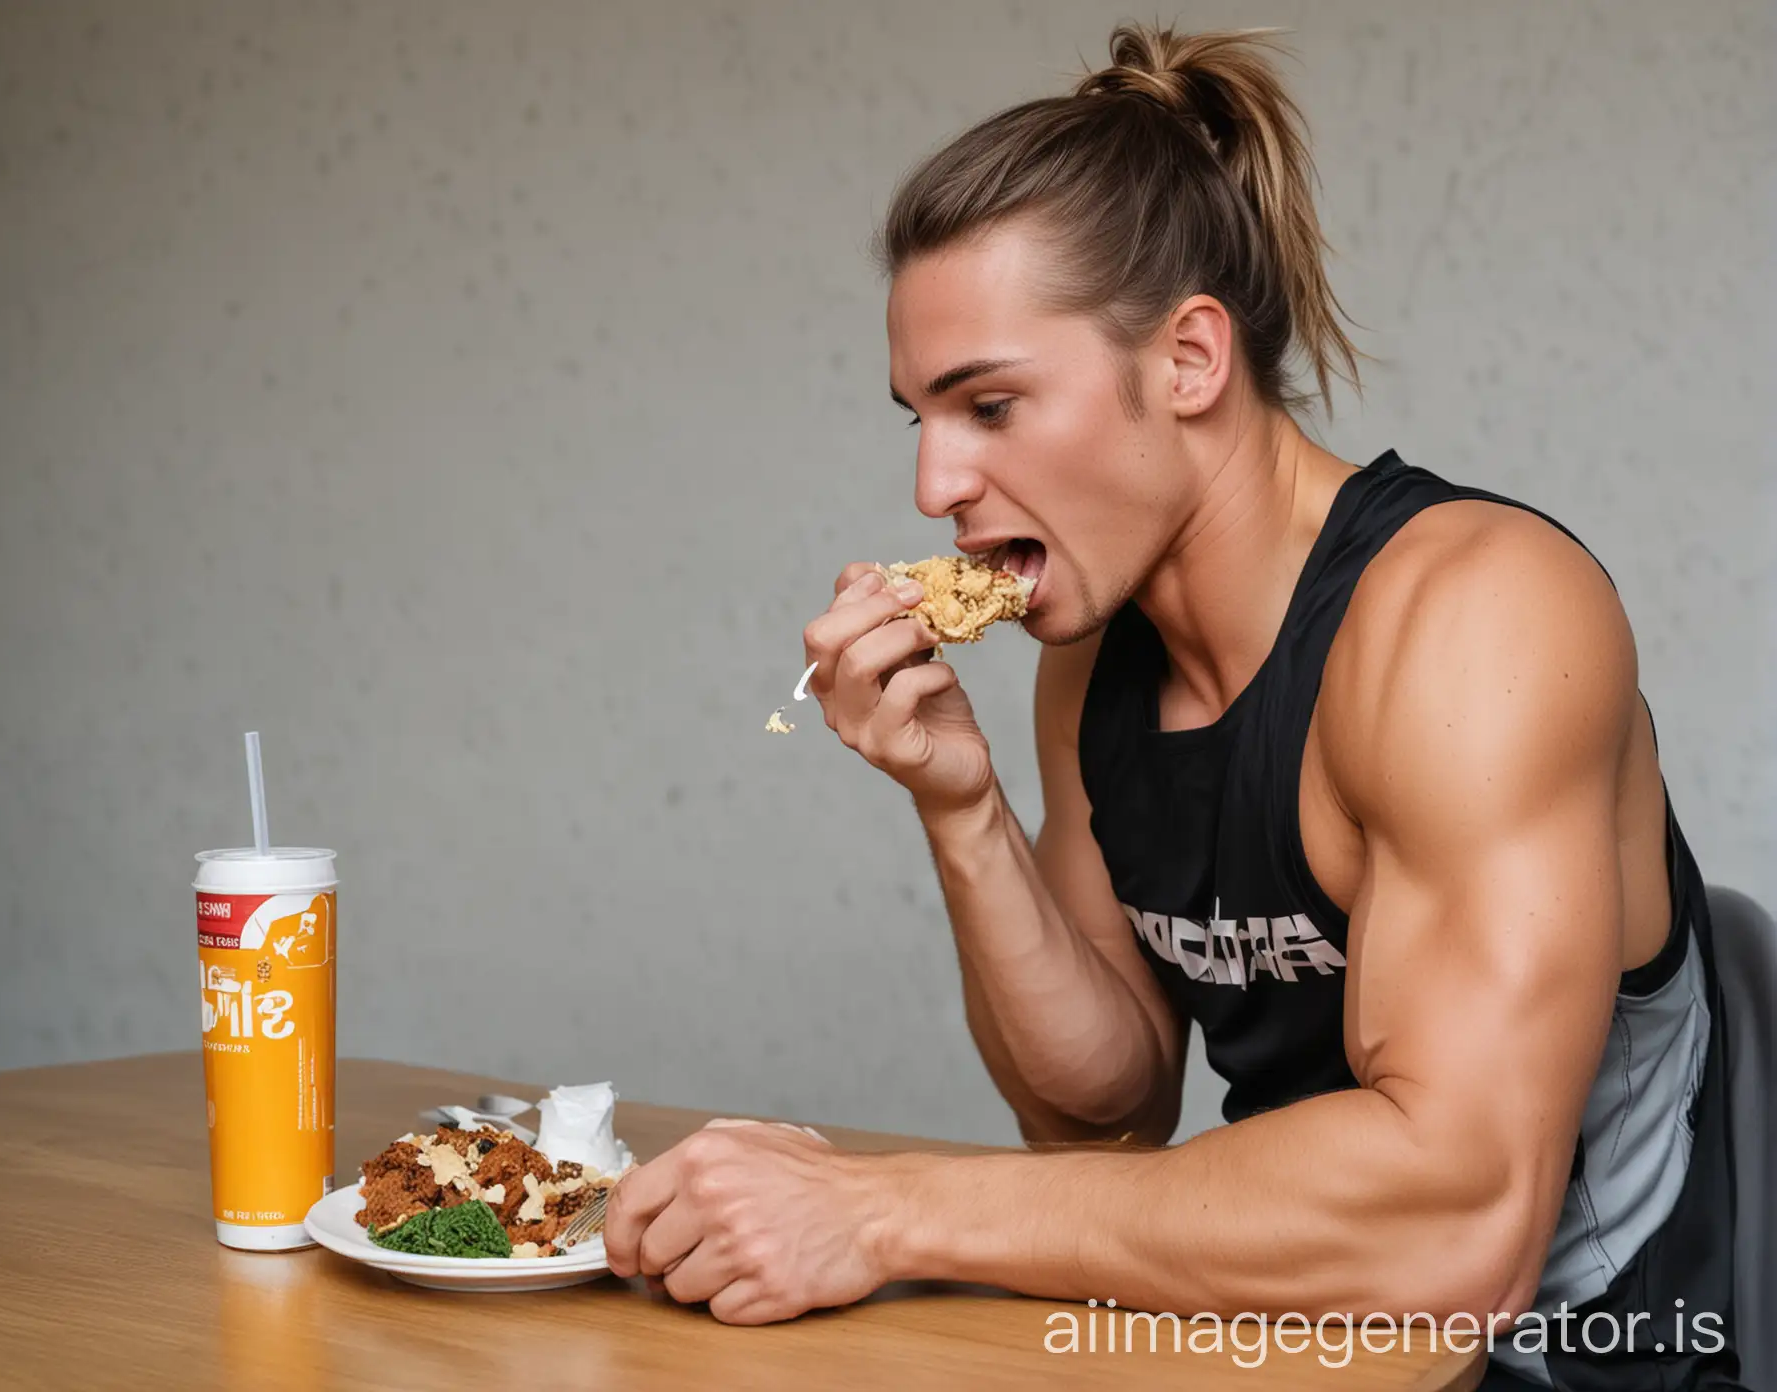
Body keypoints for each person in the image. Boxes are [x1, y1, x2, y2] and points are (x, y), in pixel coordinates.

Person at [603, 24, 1741, 1389]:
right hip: (1280, 1347)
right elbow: (1103, 1119)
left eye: (992, 404)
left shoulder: (1475, 618)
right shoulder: (1095, 655)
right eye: (919, 415)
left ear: (1192, 360)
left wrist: (879, 1205)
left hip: (1590, 1360)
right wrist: (963, 809)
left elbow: (1457, 1227)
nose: (934, 485)